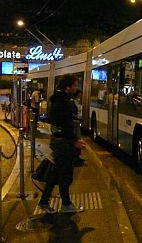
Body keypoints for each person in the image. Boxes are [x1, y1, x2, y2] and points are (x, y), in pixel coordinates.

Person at [37, 74, 85, 214]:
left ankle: (45, 201)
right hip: (63, 142)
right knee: (64, 174)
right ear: (68, 87)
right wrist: (75, 141)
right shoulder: (64, 102)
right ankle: (65, 204)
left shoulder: (58, 99)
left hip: (58, 140)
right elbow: (66, 125)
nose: (76, 88)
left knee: (56, 173)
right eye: (74, 85)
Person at [72, 89, 85, 166]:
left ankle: (77, 156)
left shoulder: (77, 101)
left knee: (78, 138)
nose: (81, 95)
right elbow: (73, 113)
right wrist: (77, 118)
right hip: (75, 123)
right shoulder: (73, 102)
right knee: (77, 138)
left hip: (77, 122)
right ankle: (75, 157)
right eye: (80, 94)